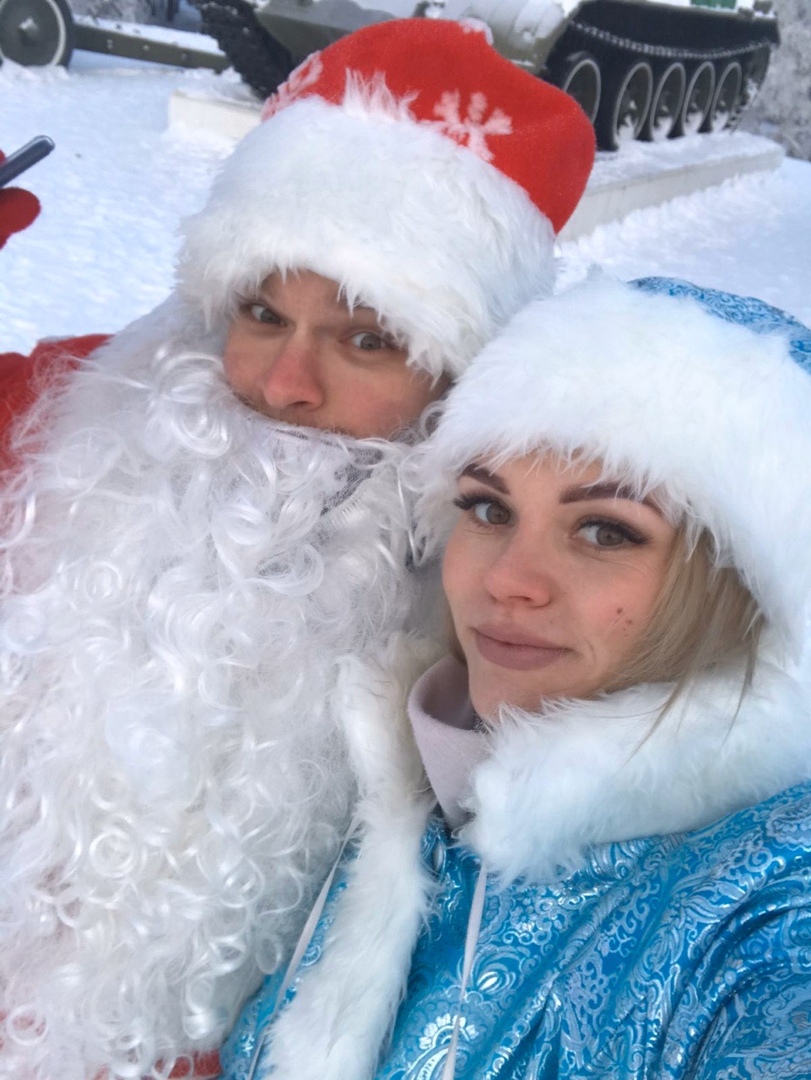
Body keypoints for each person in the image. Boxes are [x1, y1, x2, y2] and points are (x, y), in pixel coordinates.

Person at [0, 18, 594, 1080]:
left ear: (460, 374)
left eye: (368, 339)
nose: (283, 385)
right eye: (261, 312)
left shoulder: (501, 590)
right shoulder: (79, 418)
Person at [219, 273, 811, 1079]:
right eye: (489, 510)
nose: (506, 580)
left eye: (605, 531)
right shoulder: (390, 785)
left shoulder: (770, 902)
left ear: (748, 588)